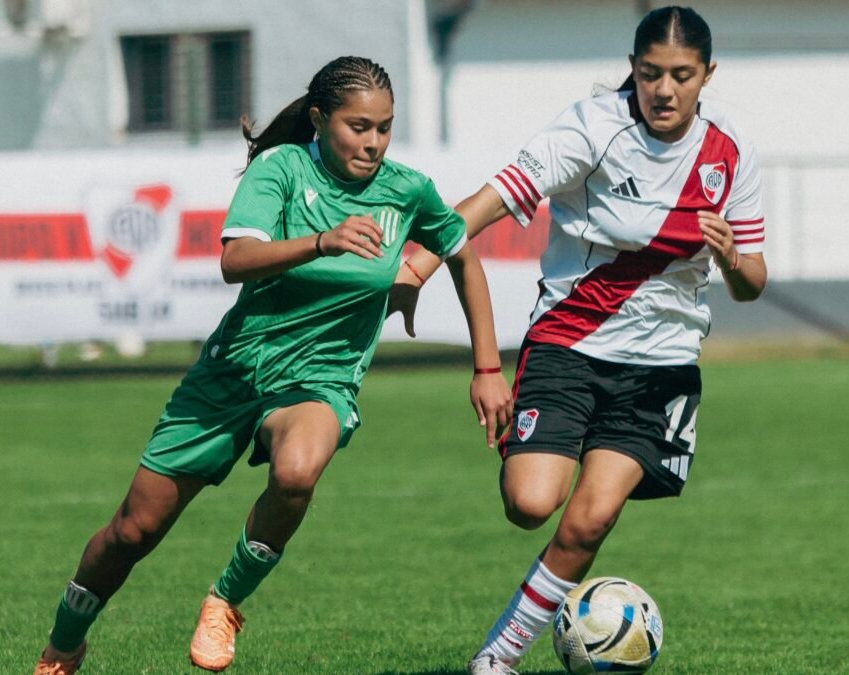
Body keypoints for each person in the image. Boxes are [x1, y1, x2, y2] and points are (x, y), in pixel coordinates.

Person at [33, 55, 512, 674]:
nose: (373, 142)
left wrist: (487, 368)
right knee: (132, 531)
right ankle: (63, 645)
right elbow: (236, 259)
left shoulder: (407, 190)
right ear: (319, 120)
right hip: (232, 375)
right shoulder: (280, 169)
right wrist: (323, 240)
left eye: (384, 127)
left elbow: (463, 257)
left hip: (320, 380)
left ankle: (224, 601)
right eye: (357, 126)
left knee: (297, 473)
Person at [392, 7, 767, 673]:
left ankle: (495, 660)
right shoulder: (592, 127)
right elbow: (497, 197)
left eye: (681, 76)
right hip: (569, 343)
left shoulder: (730, 151)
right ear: (632, 68)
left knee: (590, 518)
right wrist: (420, 259)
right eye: (650, 73)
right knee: (530, 502)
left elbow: (753, 282)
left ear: (708, 75)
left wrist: (733, 256)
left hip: (661, 366)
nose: (664, 90)